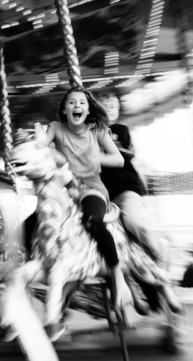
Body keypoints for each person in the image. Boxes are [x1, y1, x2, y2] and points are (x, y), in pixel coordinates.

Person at [41, 88, 132, 309]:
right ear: (64, 109)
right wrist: (40, 144)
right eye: (71, 102)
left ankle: (117, 275)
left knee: (93, 220)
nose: (77, 106)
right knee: (36, 222)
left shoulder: (98, 130)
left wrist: (94, 157)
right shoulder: (56, 128)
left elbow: (118, 160)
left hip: (91, 187)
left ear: (88, 108)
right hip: (64, 190)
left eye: (82, 102)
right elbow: (42, 147)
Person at [98, 92, 162, 261]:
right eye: (106, 105)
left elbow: (118, 158)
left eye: (114, 106)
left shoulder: (119, 130)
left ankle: (159, 256)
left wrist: (92, 156)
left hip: (126, 190)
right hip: (105, 196)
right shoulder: (91, 134)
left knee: (133, 221)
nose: (111, 109)